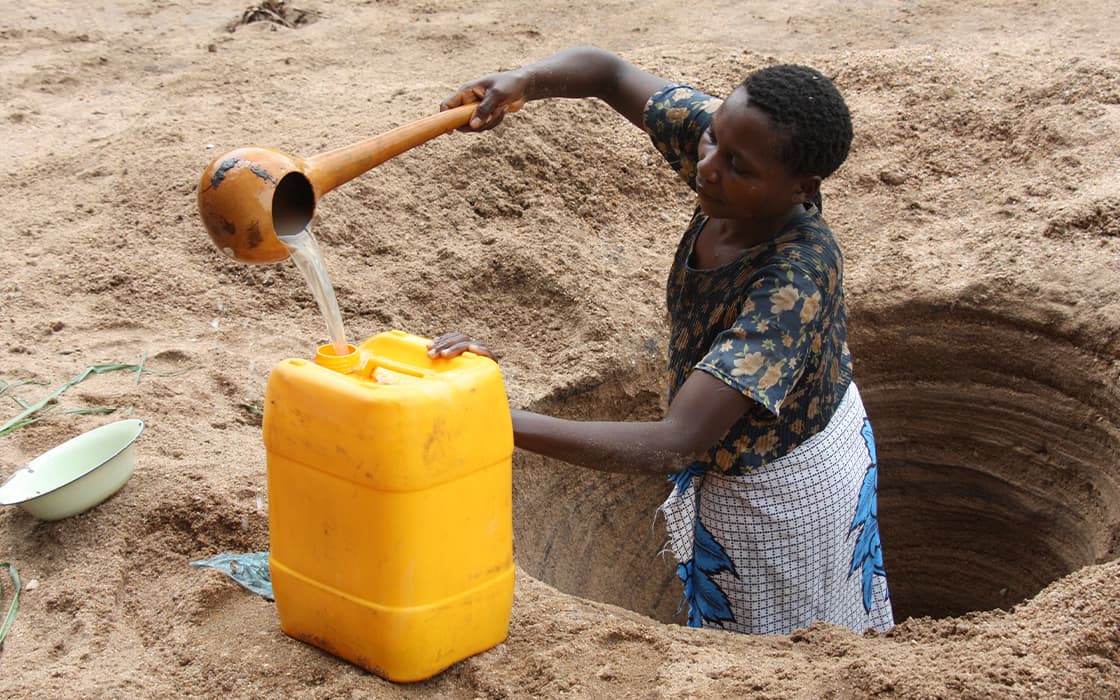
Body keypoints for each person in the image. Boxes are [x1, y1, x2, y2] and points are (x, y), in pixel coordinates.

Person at [427, 46, 894, 635]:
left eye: (737, 165)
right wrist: (524, 81)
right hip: (746, 448)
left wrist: (486, 415)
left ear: (802, 188)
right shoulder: (733, 152)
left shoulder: (792, 282)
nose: (708, 165)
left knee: (785, 646)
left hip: (784, 483)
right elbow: (607, 74)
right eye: (712, 138)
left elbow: (680, 439)